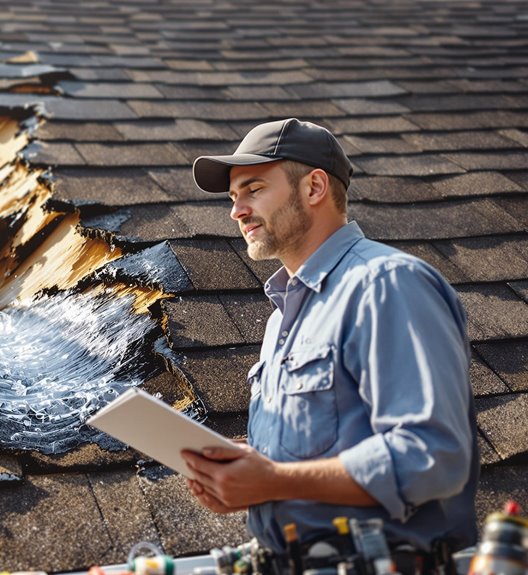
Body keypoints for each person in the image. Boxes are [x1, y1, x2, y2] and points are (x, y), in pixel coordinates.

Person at [183, 119, 478, 564]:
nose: (236, 211)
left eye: (254, 189)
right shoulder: (282, 317)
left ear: (314, 187)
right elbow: (308, 461)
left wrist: (276, 480)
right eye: (232, 197)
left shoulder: (386, 285)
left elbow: (433, 456)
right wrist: (246, 477)